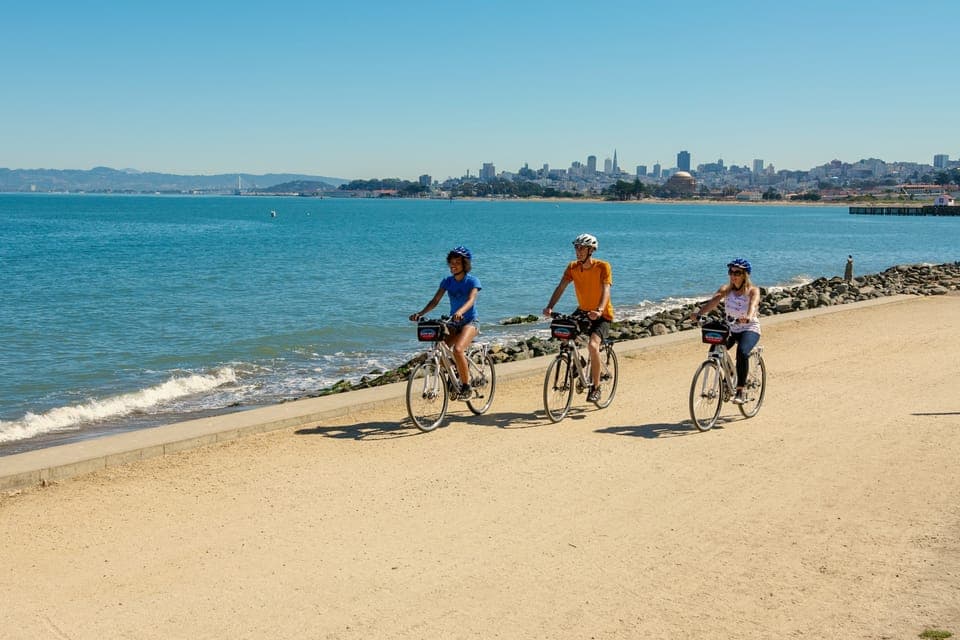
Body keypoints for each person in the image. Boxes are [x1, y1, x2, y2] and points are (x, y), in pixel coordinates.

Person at [542, 233, 614, 404]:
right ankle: (578, 363)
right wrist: (550, 306)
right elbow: (561, 287)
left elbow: (606, 290)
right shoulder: (572, 267)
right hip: (582, 311)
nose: (578, 251)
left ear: (591, 250)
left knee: (592, 345)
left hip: (602, 314)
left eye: (581, 248)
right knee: (563, 334)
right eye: (576, 247)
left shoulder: (603, 266)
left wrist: (599, 309)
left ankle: (595, 388)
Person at [410, 246, 481, 400]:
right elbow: (435, 300)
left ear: (465, 264)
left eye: (457, 262)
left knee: (458, 349)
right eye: (451, 262)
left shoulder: (472, 280)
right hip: (453, 323)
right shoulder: (447, 281)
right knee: (439, 349)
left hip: (470, 322)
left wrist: (460, 312)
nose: (453, 265)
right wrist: (420, 313)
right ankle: (456, 370)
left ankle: (466, 385)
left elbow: (471, 300)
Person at [690, 257, 761, 404]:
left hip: (749, 328)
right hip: (731, 327)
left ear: (745, 275)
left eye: (737, 272)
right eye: (731, 272)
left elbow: (753, 305)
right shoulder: (725, 290)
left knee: (742, 352)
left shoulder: (753, 291)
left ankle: (740, 390)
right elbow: (713, 302)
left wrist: (748, 316)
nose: (733, 275)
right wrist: (699, 314)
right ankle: (729, 372)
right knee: (715, 350)